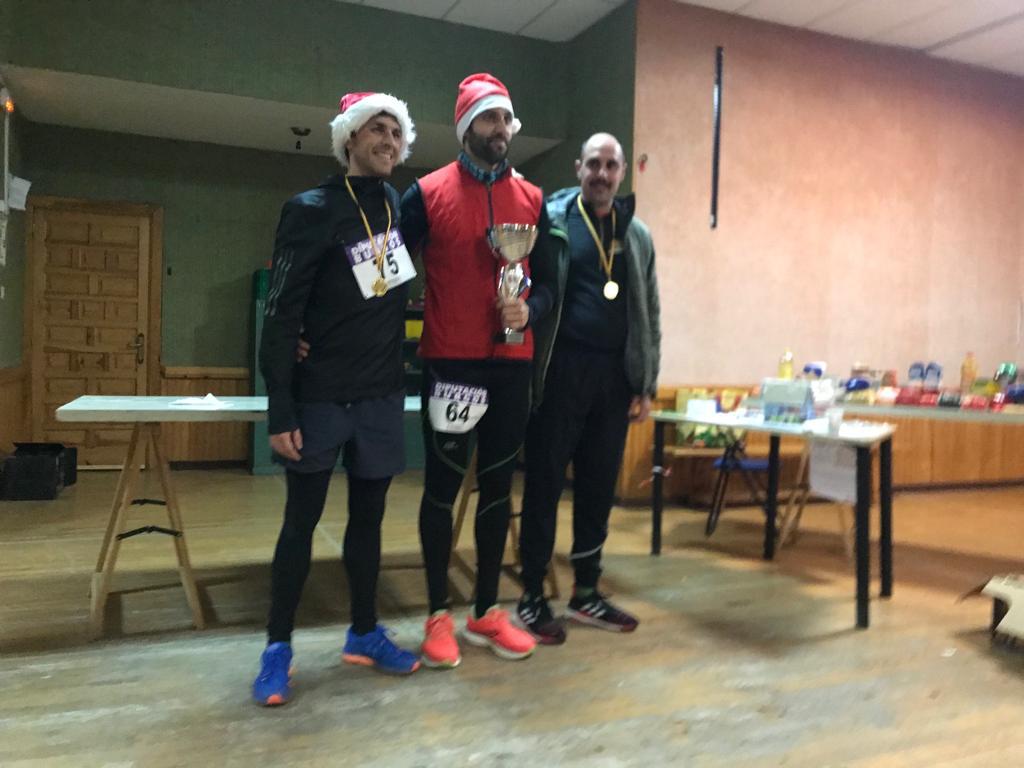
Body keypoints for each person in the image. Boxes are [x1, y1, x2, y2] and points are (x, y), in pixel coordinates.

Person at [253, 92, 421, 706]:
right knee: (300, 524)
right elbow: (281, 311)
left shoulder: (399, 206)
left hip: (379, 395)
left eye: (396, 132)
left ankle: (364, 632)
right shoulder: (310, 208)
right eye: (376, 129)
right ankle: (277, 649)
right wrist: (281, 407)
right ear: (349, 138)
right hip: (320, 396)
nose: (388, 140)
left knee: (369, 524)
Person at [399, 73, 555, 667]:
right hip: (451, 365)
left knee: (496, 488)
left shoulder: (533, 199)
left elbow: (549, 286)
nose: (500, 129)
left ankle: (486, 611)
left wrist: (529, 309)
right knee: (442, 489)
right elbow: (384, 276)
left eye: (506, 118)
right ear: (466, 126)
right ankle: (438, 614)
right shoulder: (426, 193)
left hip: (512, 365)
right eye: (489, 118)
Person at [516, 133, 661, 644]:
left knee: (598, 488)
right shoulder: (553, 221)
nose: (602, 173)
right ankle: (532, 595)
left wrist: (646, 382)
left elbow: (650, 310)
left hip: (614, 379)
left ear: (622, 172)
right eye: (593, 164)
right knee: (544, 485)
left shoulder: (637, 234)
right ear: (578, 167)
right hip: (560, 372)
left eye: (610, 166)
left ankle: (586, 591)